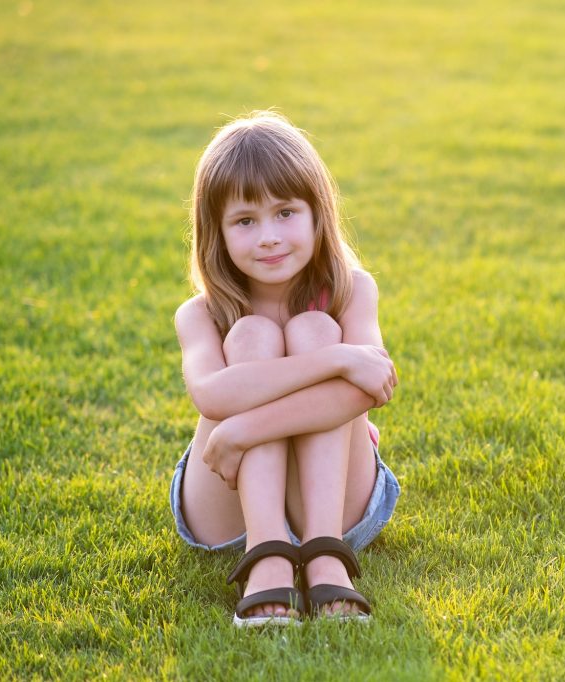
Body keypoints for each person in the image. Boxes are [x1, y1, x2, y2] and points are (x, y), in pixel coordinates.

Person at [169, 111, 400, 627]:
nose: (269, 236)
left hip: (337, 506)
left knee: (315, 326)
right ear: (217, 232)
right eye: (245, 221)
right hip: (225, 510)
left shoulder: (352, 290)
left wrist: (244, 429)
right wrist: (338, 359)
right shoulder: (201, 313)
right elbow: (213, 396)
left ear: (318, 213)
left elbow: (371, 388)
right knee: (253, 335)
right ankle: (267, 552)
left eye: (286, 212)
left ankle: (325, 555)